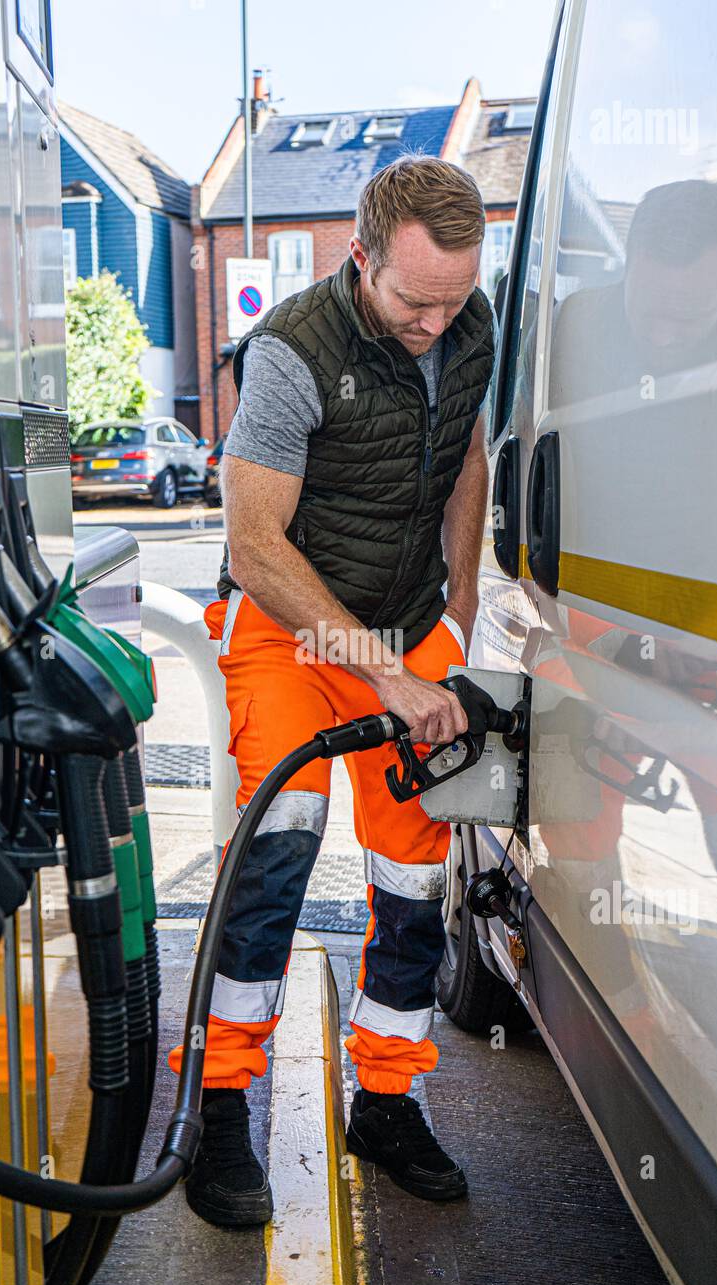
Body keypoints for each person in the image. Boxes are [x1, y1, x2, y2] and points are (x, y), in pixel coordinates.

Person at [170, 155, 497, 1226]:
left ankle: (387, 1101)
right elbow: (255, 546)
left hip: (412, 628)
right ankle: (221, 1103)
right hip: (289, 628)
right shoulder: (290, 352)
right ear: (359, 258)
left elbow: (463, 460)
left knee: (414, 876)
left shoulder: (465, 320)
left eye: (451, 300)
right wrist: (387, 672)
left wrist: (456, 607)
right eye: (412, 301)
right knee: (275, 854)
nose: (431, 323)